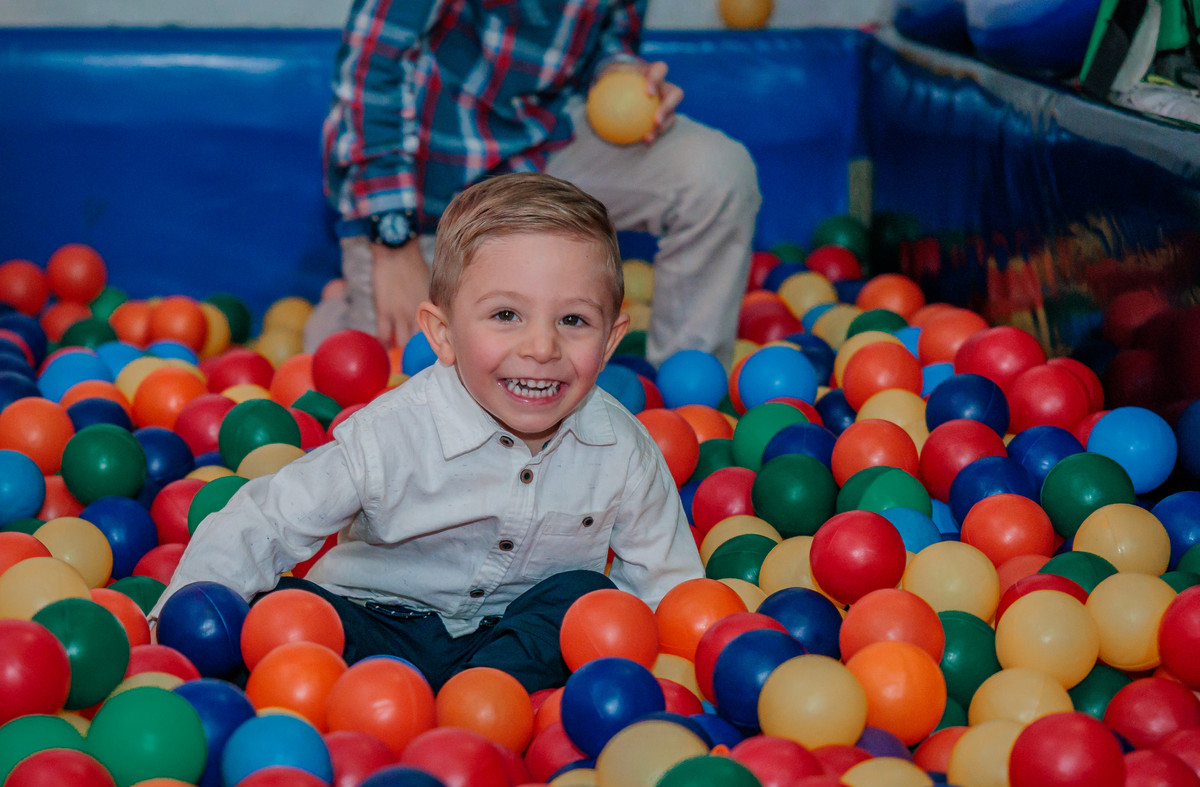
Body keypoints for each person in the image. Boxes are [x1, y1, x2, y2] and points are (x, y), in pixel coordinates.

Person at [153, 173, 704, 692]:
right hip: (373, 626)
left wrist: (673, 674)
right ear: (443, 334)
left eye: (573, 321)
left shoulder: (625, 452)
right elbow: (268, 518)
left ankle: (478, 706)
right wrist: (181, 617)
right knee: (278, 615)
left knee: (588, 599)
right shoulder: (392, 432)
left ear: (610, 342)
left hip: (509, 648)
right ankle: (409, 704)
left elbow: (666, 586)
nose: (542, 348)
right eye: (507, 315)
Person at [308, 0, 761, 367]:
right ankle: (336, 314)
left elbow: (611, 32)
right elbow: (371, 68)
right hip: (427, 194)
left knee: (716, 174)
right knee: (398, 377)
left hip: (543, 145)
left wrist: (623, 77)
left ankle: (688, 388)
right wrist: (392, 241)